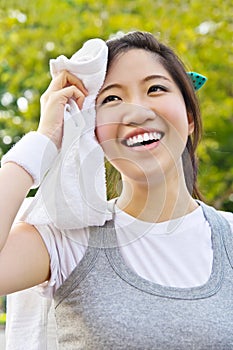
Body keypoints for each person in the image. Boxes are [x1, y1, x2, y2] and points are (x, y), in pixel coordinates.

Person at [0, 31, 232, 349]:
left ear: (189, 117)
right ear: (93, 130)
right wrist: (44, 140)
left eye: (155, 89)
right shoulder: (67, 239)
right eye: (111, 98)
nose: (136, 112)